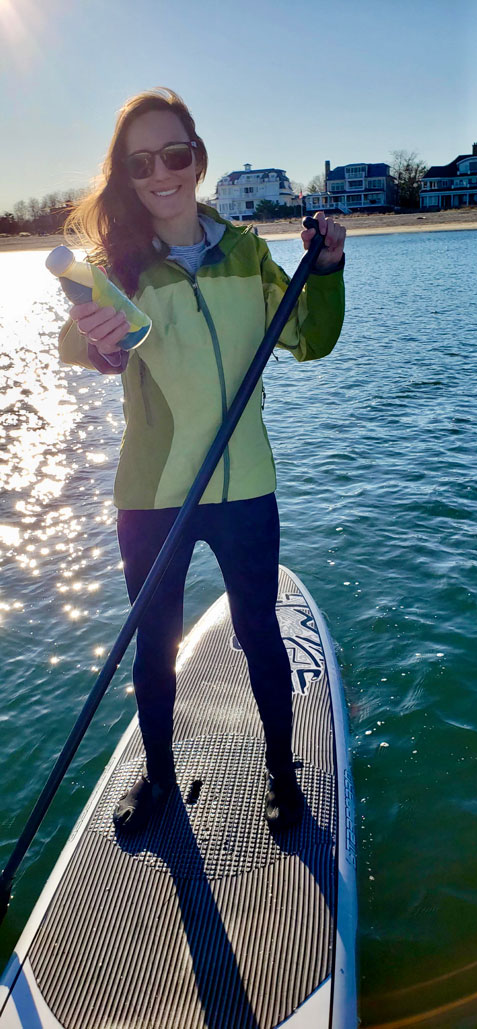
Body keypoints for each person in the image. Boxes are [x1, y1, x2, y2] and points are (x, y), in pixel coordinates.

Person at [59, 88, 346, 834]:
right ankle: (157, 779)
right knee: (154, 650)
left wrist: (329, 267)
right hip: (154, 500)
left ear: (198, 157)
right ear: (125, 175)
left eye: (174, 154)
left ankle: (283, 775)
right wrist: (98, 340)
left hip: (246, 486)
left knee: (260, 633)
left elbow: (310, 339)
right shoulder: (115, 267)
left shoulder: (249, 254)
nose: (161, 172)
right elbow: (84, 347)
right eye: (140, 161)